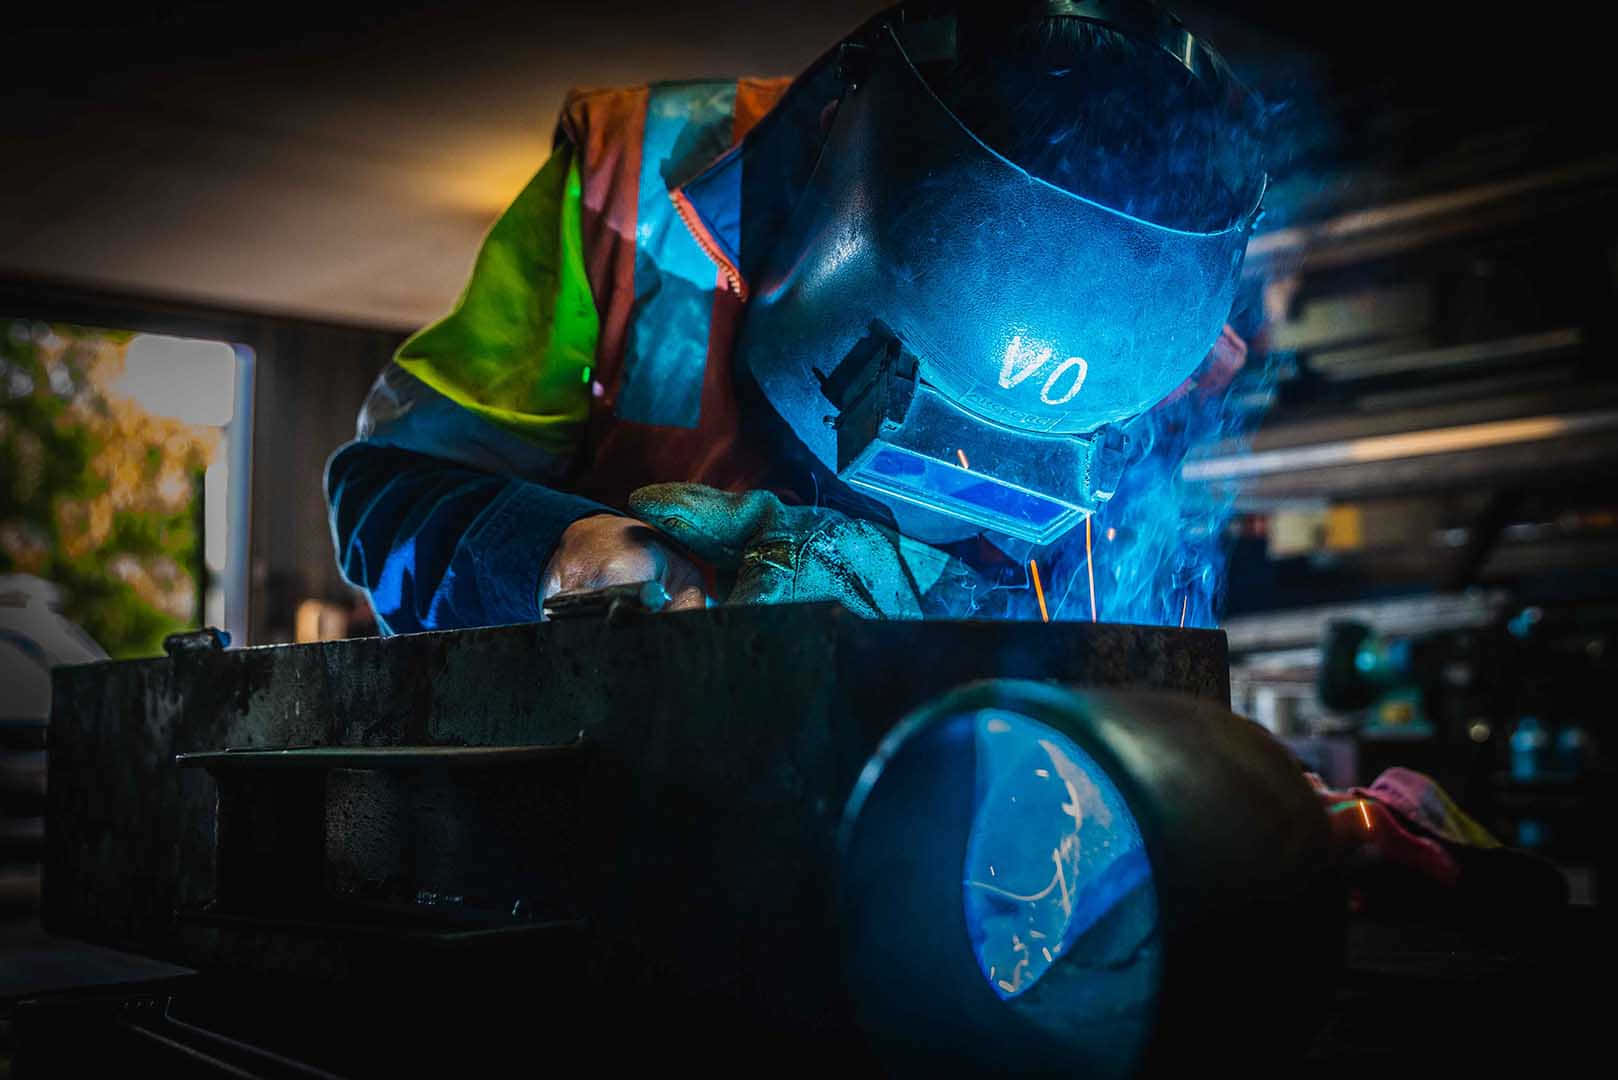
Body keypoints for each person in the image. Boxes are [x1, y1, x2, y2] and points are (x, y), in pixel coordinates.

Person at [325, 0, 1267, 636]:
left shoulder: (1177, 354)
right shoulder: (628, 185)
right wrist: (566, 559)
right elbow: (391, 493)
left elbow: (1104, 621)